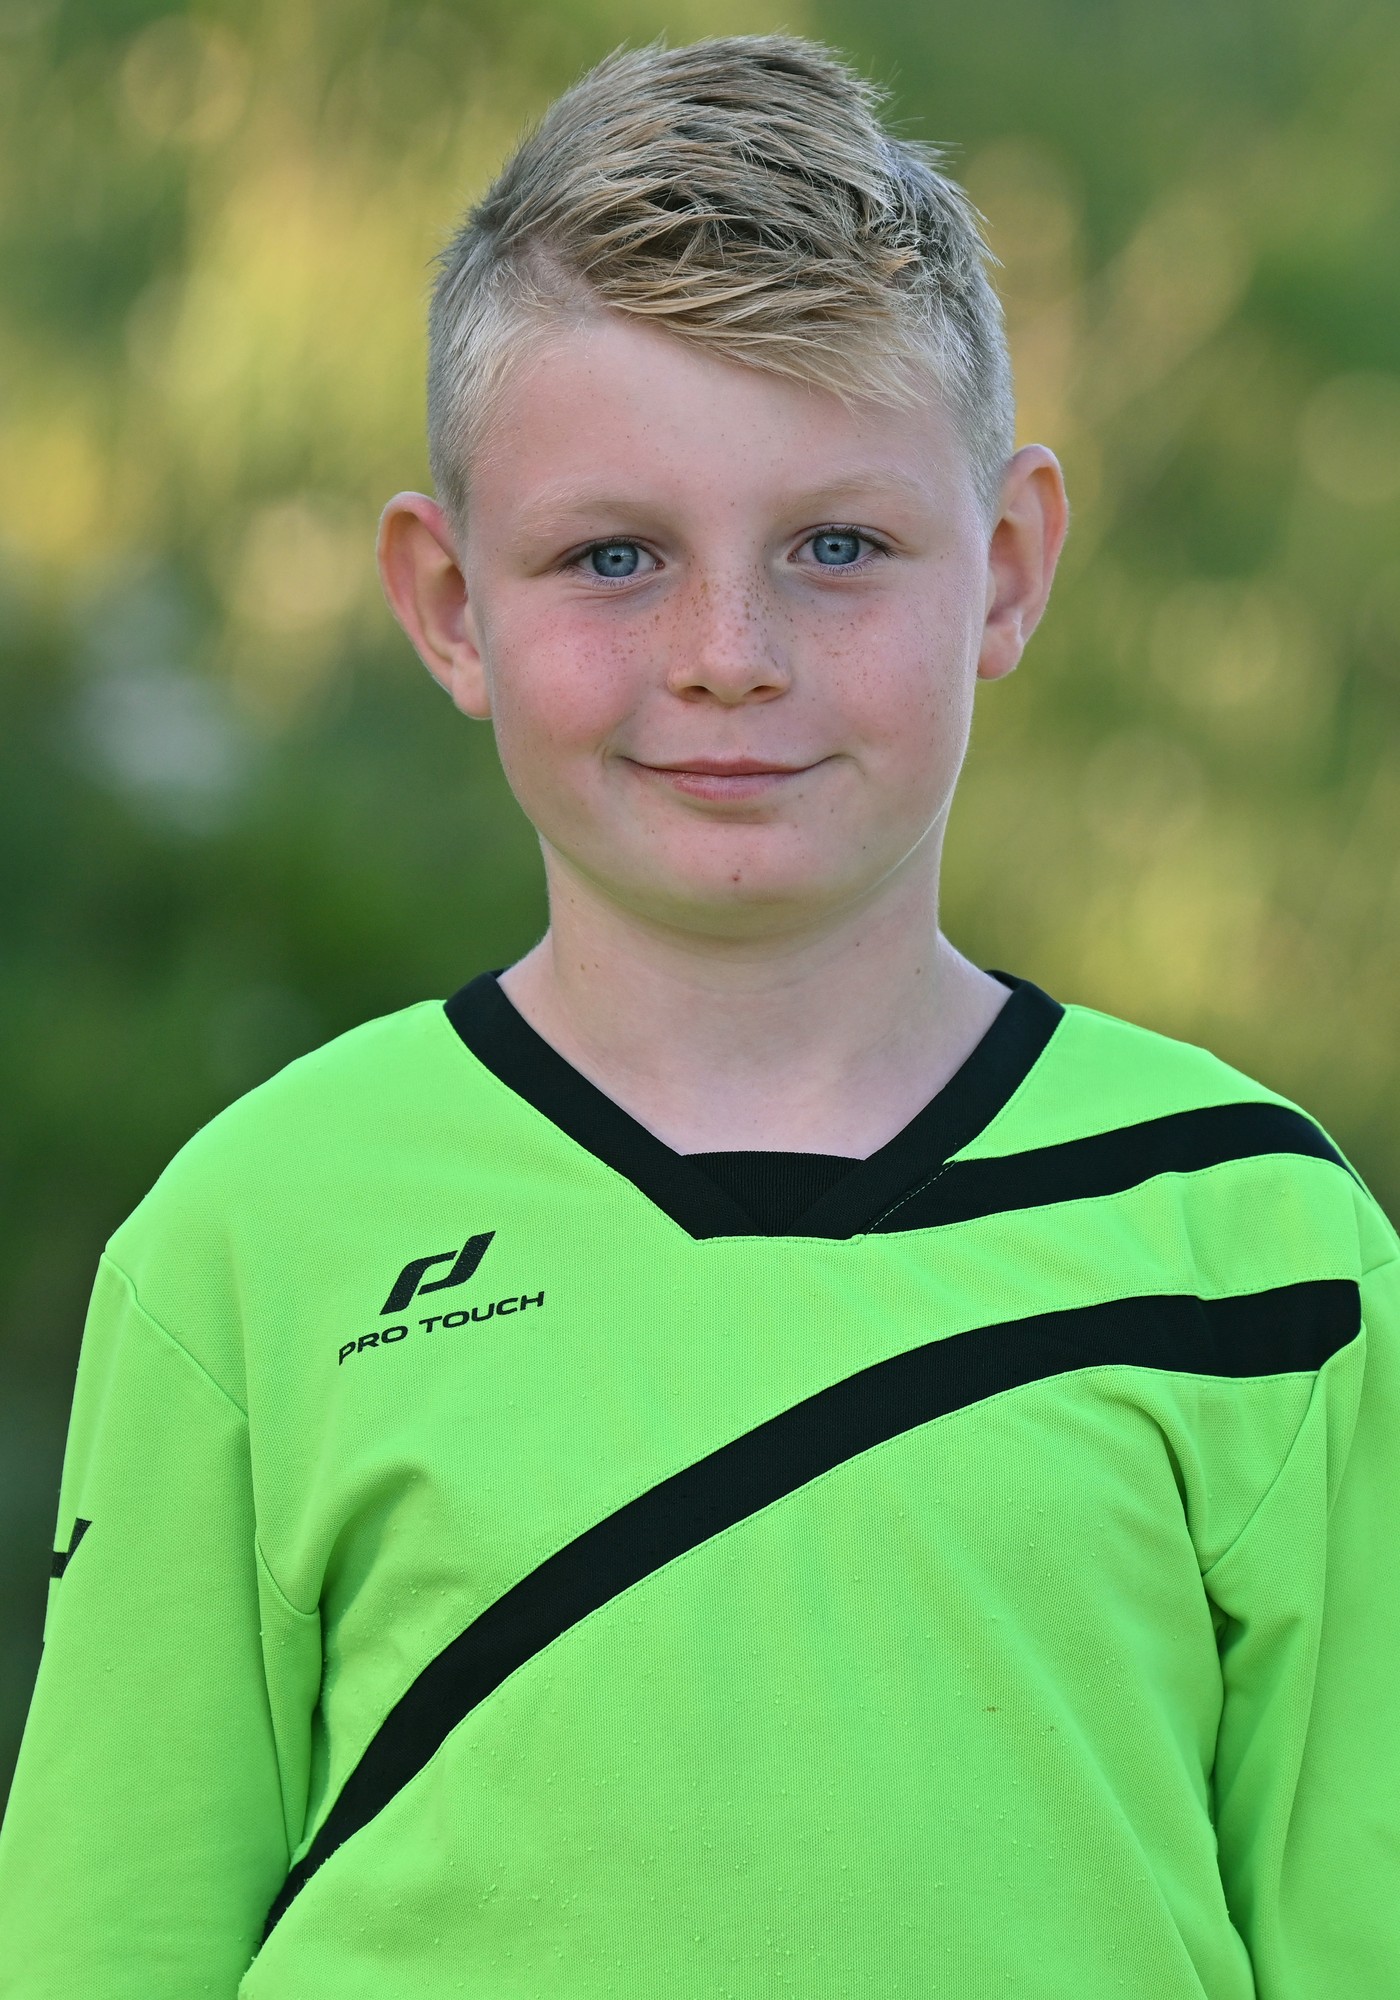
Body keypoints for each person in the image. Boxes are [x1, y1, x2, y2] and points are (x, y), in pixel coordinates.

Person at [1, 33, 1396, 2000]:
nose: (728, 656)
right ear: (449, 602)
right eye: (613, 556)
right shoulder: (249, 1237)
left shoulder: (1258, 1241)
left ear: (1006, 569)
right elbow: (104, 1946)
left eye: (837, 547)